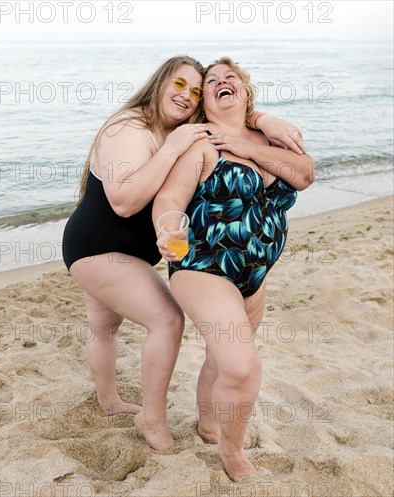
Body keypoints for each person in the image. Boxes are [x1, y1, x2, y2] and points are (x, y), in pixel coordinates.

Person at [62, 55, 306, 451]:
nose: (187, 95)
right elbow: (123, 203)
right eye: (179, 84)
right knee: (168, 320)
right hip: (97, 248)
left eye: (194, 91)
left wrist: (262, 120)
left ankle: (108, 400)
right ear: (159, 82)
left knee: (104, 327)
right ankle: (151, 419)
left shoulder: (184, 129)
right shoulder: (130, 126)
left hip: (136, 252)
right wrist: (172, 147)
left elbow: (229, 110)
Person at [152, 57, 315, 478]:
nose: (222, 83)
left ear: (245, 91)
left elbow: (304, 173)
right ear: (204, 100)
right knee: (243, 366)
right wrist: (169, 227)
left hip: (254, 278)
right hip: (203, 267)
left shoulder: (269, 137)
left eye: (231, 78)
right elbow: (169, 199)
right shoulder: (200, 144)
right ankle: (232, 452)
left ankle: (208, 422)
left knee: (220, 360)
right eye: (211, 82)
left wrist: (247, 143)